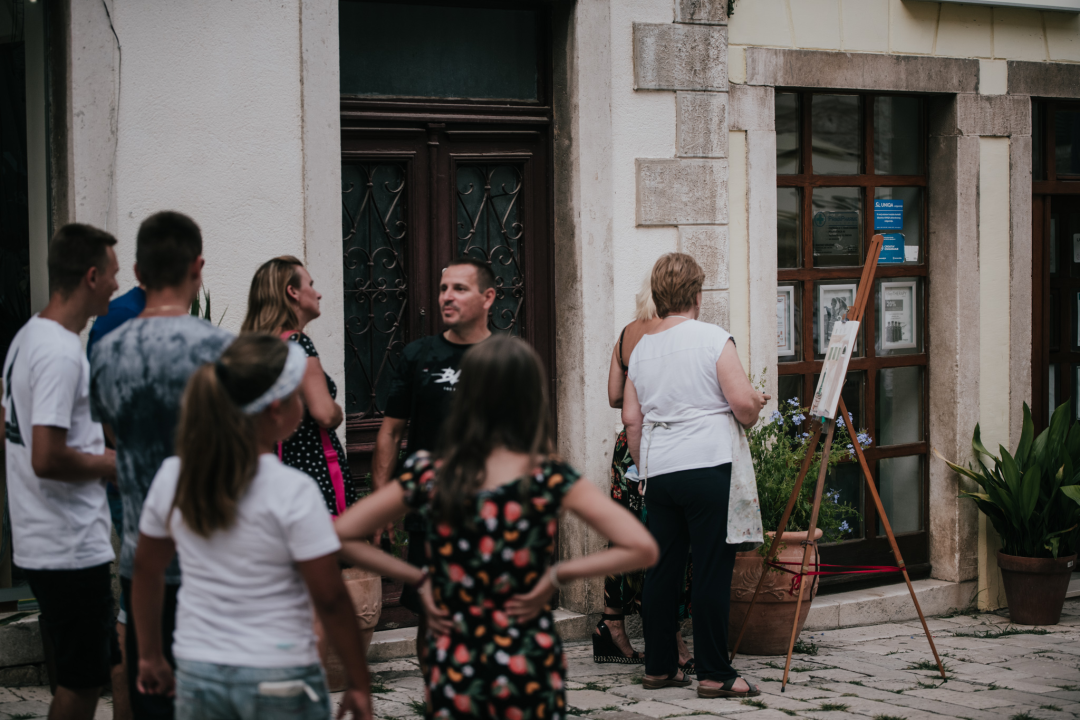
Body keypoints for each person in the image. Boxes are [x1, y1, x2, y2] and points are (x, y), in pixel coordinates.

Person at [336, 336, 659, 719]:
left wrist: (421, 578)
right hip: (527, 658)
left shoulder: (432, 472)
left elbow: (342, 535)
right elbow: (642, 547)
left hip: (456, 657)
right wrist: (555, 574)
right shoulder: (547, 477)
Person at [132, 335, 372, 720]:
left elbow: (146, 568)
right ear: (277, 409)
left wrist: (148, 654)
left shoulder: (174, 476)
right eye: (298, 396)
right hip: (280, 675)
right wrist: (359, 683)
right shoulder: (294, 490)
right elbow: (329, 597)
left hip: (199, 670)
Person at [90, 211, 234, 720]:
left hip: (139, 557)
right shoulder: (220, 351)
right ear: (198, 268)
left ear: (136, 271)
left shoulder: (105, 354)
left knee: (153, 699)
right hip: (214, 559)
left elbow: (110, 433)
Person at [622, 253, 769, 699]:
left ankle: (660, 667)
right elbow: (742, 408)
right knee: (709, 570)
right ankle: (714, 673)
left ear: (660, 294)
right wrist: (756, 403)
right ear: (697, 296)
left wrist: (645, 468)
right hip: (708, 465)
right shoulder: (713, 339)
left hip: (661, 470)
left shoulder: (642, 347)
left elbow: (632, 419)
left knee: (662, 571)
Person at [2, 224, 121, 720]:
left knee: (103, 668)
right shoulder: (58, 351)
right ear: (91, 276)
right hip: (67, 546)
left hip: (50, 538)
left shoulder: (29, 337)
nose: (117, 285)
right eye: (113, 274)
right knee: (81, 685)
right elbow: (45, 456)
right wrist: (117, 465)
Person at [371, 256, 496, 660]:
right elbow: (390, 432)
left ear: (487, 297)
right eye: (444, 288)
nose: (447, 296)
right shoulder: (417, 356)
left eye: (459, 288)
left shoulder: (509, 357)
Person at [597, 277, 694, 671]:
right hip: (660, 444)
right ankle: (669, 635)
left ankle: (612, 627)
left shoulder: (627, 334)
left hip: (627, 452)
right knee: (668, 540)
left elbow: (614, 397)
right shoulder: (668, 333)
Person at [241, 256, 358, 515]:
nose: (318, 294)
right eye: (311, 284)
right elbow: (325, 414)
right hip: (312, 470)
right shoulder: (297, 344)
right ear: (292, 291)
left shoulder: (255, 347)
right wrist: (338, 411)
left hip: (271, 469)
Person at [87, 284, 146, 720]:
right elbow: (105, 407)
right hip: (136, 486)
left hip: (166, 486)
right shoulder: (120, 316)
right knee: (135, 603)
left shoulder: (173, 315)